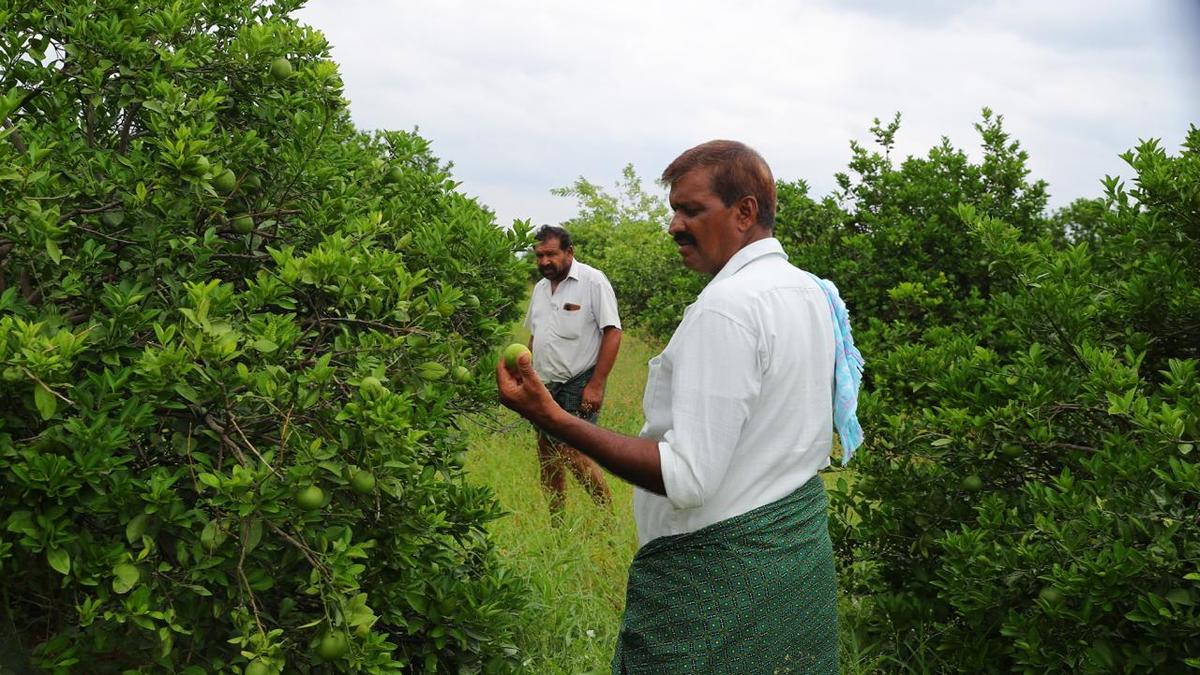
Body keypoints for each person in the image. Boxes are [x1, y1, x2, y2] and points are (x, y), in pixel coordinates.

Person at [497, 141, 864, 673]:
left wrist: (552, 417)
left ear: (745, 212)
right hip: (793, 561)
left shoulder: (727, 309)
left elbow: (688, 478)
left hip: (717, 583)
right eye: (674, 210)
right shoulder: (807, 290)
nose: (673, 225)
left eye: (692, 210)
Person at [523, 225, 623, 515]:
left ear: (569, 252)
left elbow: (613, 332)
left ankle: (606, 516)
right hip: (544, 384)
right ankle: (557, 523)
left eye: (551, 254)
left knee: (572, 452)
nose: (544, 262)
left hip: (578, 381)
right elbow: (535, 336)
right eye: (539, 255)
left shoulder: (592, 281)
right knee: (547, 454)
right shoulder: (541, 289)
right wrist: (527, 377)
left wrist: (597, 384)